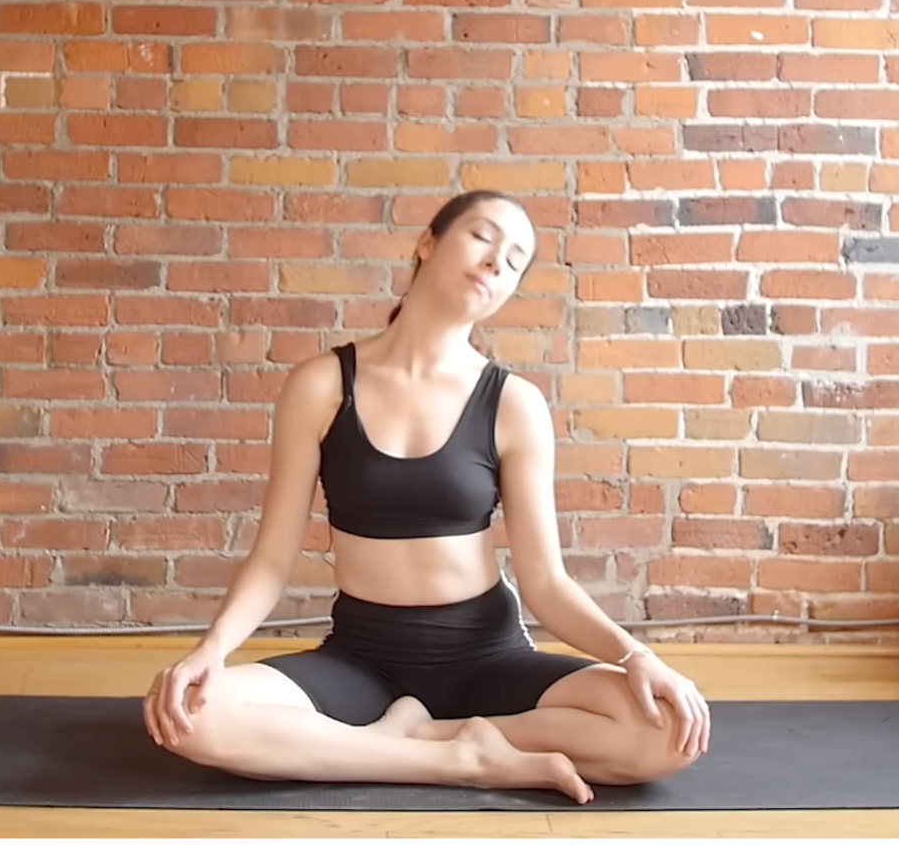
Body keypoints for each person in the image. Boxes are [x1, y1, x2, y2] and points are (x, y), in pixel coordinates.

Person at [142, 190, 709, 803]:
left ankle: (421, 737)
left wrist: (636, 656)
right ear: (427, 243)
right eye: (483, 236)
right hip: (361, 660)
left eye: (515, 260)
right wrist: (212, 648)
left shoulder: (513, 404)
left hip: (488, 658)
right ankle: (461, 760)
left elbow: (546, 583)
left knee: (666, 732)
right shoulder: (323, 386)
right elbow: (273, 559)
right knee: (194, 714)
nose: (497, 261)